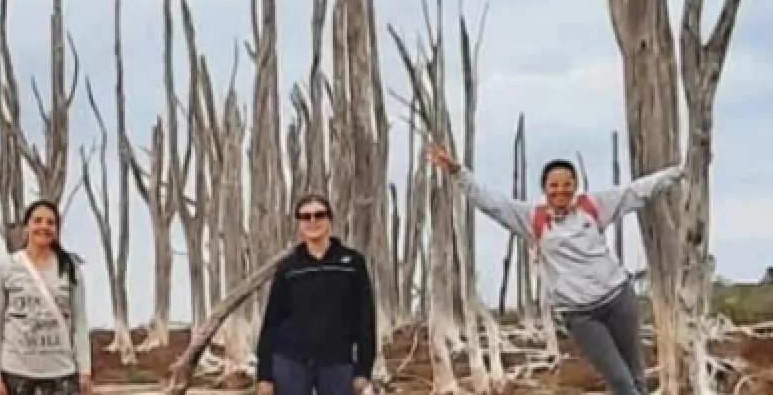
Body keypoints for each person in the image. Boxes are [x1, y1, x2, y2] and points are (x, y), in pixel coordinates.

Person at [429, 143, 685, 395]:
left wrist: (679, 172)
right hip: (581, 315)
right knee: (619, 379)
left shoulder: (592, 206)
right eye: (554, 185)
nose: (560, 190)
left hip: (618, 300)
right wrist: (458, 172)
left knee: (635, 376)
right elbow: (492, 203)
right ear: (544, 189)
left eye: (566, 184)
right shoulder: (533, 218)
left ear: (575, 185)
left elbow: (637, 192)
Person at [254, 195, 375, 395]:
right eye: (306, 217)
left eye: (319, 215)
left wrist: (364, 369)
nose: (313, 221)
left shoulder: (352, 263)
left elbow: (365, 318)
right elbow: (271, 322)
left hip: (337, 361)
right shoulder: (289, 267)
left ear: (330, 220)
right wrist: (264, 375)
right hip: (291, 361)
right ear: (299, 224)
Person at [0, 200, 93, 395]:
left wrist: (85, 370)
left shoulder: (69, 269)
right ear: (26, 228)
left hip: (61, 372)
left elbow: (80, 322)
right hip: (16, 373)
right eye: (37, 221)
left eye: (50, 222)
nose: (44, 226)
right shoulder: (5, 269)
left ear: (57, 230)